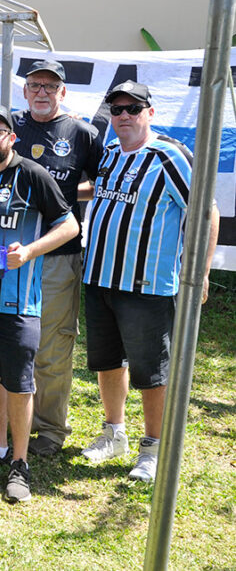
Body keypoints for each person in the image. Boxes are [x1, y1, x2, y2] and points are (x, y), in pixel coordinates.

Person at [80, 80, 218, 482]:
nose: (124, 115)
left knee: (152, 372)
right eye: (117, 109)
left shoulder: (169, 156)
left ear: (150, 113)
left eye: (133, 108)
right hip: (100, 278)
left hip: (147, 285)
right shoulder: (110, 154)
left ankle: (154, 448)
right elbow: (100, 191)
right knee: (108, 362)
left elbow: (206, 211)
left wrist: (201, 271)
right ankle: (114, 433)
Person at [0, 103, 78, 504]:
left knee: (19, 384)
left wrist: (31, 251)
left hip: (18, 302)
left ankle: (20, 464)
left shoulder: (32, 175)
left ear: (11, 137)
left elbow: (70, 226)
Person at [9, 60, 103, 457]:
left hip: (58, 256)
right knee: (11, 341)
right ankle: (13, 422)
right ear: (25, 91)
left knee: (52, 347)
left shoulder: (83, 134)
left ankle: (49, 430)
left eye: (50, 86)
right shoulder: (10, 125)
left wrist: (60, 195)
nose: (42, 92)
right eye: (35, 85)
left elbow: (99, 183)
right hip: (8, 254)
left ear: (63, 92)